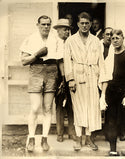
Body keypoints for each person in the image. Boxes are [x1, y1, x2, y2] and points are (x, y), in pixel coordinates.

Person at [63, 12, 105, 151]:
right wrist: (70, 79)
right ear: (77, 24)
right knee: (79, 107)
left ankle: (89, 138)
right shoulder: (70, 40)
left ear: (91, 24)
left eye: (87, 23)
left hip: (93, 76)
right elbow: (67, 61)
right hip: (77, 75)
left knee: (92, 108)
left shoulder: (96, 41)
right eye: (82, 23)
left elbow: (101, 61)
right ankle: (78, 139)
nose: (85, 26)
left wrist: (101, 80)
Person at [20, 15, 58, 152]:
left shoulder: (55, 39)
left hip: (52, 71)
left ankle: (44, 139)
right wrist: (37, 54)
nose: (46, 27)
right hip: (36, 70)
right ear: (38, 25)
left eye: (48, 24)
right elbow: (23, 61)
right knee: (35, 107)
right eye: (43, 24)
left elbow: (59, 59)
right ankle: (31, 138)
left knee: (48, 108)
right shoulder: (30, 39)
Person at [53, 19, 75, 142]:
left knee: (71, 105)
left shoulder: (71, 43)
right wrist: (62, 79)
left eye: (68, 29)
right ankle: (60, 133)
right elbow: (59, 60)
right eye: (64, 29)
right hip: (59, 78)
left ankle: (71, 132)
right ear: (58, 30)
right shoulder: (56, 43)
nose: (67, 31)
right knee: (60, 106)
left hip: (71, 77)